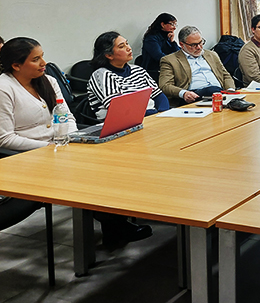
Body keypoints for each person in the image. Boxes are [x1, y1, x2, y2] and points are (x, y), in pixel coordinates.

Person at [0, 38, 77, 240]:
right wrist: (50, 147)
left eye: (42, 56)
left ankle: (114, 224)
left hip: (62, 147)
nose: (44, 63)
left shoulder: (49, 81)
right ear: (16, 65)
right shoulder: (4, 88)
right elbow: (5, 139)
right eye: (36, 59)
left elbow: (67, 116)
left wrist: (73, 137)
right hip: (30, 157)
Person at [87, 31, 169, 121]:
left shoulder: (138, 70)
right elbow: (118, 108)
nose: (129, 48)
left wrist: (162, 114)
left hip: (150, 117)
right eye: (122, 46)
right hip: (120, 123)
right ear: (109, 55)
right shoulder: (102, 75)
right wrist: (152, 114)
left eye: (127, 43)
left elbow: (158, 95)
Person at [159, 26, 235, 106]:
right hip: (194, 96)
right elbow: (165, 86)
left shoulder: (211, 55)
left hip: (220, 94)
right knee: (212, 90)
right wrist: (184, 93)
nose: (199, 47)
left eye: (200, 42)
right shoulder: (169, 60)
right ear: (182, 44)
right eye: (193, 45)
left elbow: (225, 75)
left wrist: (230, 90)